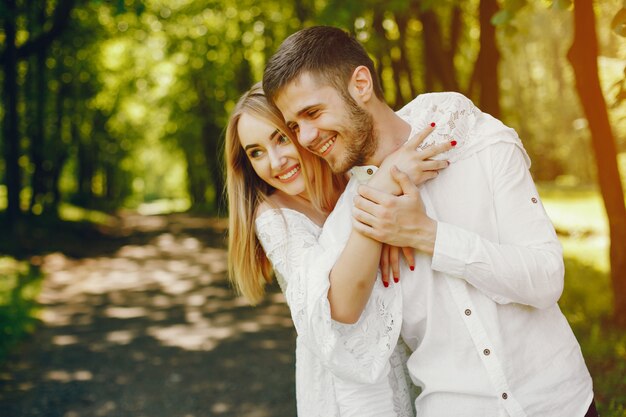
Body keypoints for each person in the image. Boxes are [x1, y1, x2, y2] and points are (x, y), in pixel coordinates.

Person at [263, 26, 595, 417]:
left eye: (313, 113)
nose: (305, 137)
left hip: (560, 402)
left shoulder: (476, 142)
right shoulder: (354, 217)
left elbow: (546, 279)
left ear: (361, 84)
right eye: (295, 125)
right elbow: (332, 315)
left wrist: (426, 235)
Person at [225, 83, 453, 417]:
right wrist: (381, 195)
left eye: (280, 138)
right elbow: (343, 307)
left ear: (303, 133)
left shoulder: (357, 178)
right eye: (255, 152)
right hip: (344, 393)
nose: (274, 161)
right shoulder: (275, 218)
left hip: (402, 365)